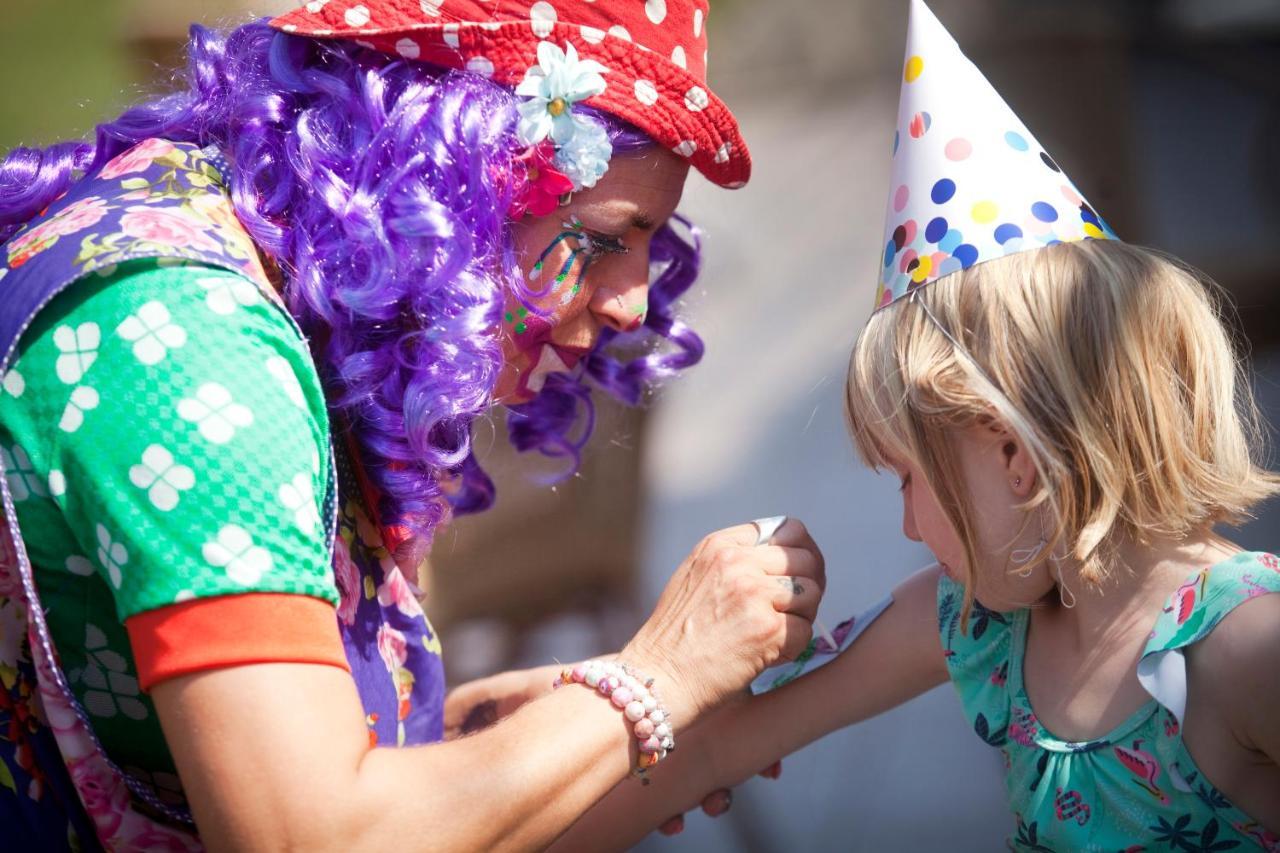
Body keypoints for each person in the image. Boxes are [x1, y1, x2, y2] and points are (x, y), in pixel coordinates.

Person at [0, 1, 822, 849]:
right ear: (451, 171)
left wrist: (529, 733)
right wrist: (660, 674)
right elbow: (306, 834)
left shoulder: (265, 277)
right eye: (605, 237)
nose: (633, 305)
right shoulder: (184, 335)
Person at [555, 1, 1280, 849]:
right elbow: (723, 744)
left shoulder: (1246, 645)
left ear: (1013, 454)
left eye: (908, 477)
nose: (904, 523)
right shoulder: (978, 622)